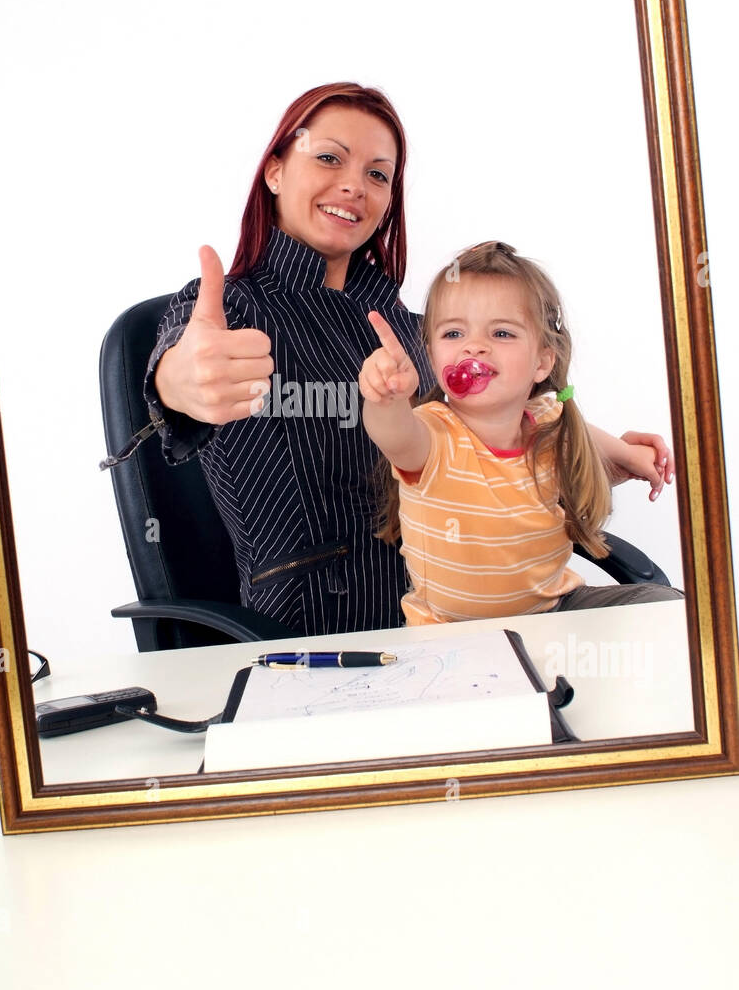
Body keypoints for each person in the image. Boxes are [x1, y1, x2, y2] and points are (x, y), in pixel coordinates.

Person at [145, 83, 674, 636]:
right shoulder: (230, 307)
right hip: (333, 627)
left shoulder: (408, 323)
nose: (354, 185)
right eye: (329, 158)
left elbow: (501, 412)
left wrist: (615, 452)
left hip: (484, 605)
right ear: (275, 171)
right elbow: (178, 367)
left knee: (680, 631)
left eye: (378, 174)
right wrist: (180, 381)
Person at [359, 240, 683, 624]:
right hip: (452, 638)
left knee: (670, 608)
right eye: (453, 334)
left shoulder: (547, 421)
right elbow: (394, 434)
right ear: (431, 357)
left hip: (554, 613)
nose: (474, 348)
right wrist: (387, 398)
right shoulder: (433, 434)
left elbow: (575, 428)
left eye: (501, 334)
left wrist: (633, 456)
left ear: (542, 362)